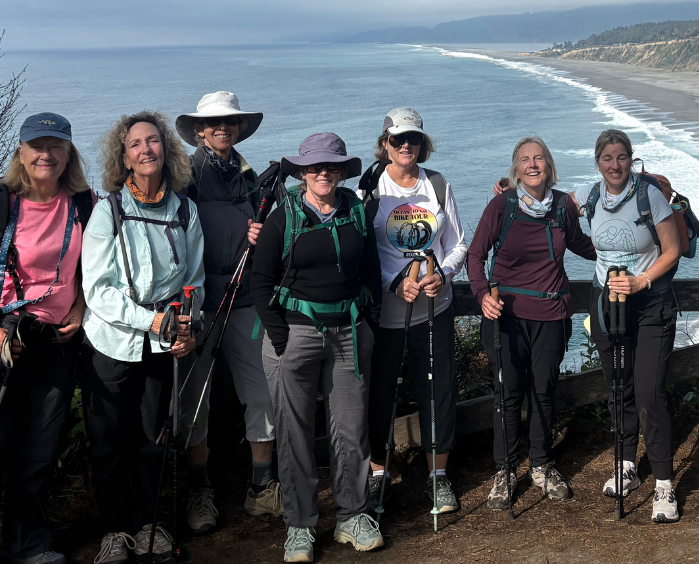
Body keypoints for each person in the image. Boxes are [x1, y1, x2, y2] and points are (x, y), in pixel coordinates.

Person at [0, 113, 93, 564]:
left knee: (38, 454)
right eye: (36, 146)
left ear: (69, 154)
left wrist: (80, 307)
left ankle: (27, 545)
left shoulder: (84, 205)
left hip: (53, 342)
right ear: (21, 153)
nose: (46, 155)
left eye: (56, 146)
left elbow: (93, 271)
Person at [251, 133, 384, 563]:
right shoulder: (281, 217)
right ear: (302, 172)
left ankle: (352, 514)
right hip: (295, 333)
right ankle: (300, 525)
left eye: (331, 166)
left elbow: (370, 272)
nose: (322, 173)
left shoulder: (356, 213)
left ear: (343, 170)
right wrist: (281, 338)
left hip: (347, 331)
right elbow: (261, 282)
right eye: (314, 167)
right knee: (294, 433)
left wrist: (366, 325)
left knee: (350, 429)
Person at [82, 112, 204, 564]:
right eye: (135, 144)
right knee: (110, 440)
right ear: (124, 157)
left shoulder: (185, 211)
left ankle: (150, 523)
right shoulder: (107, 210)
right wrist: (150, 322)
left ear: (167, 151)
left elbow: (194, 281)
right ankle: (115, 532)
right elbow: (97, 289)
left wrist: (189, 324)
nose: (146, 150)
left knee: (155, 437)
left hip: (164, 343)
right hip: (111, 344)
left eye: (154, 141)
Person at [466, 136, 596, 511]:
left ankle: (540, 465)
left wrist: (628, 246)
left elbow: (582, 245)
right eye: (525, 159)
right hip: (506, 317)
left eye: (539, 158)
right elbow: (476, 255)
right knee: (508, 395)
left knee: (544, 391)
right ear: (516, 168)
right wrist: (481, 295)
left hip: (552, 314)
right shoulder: (502, 205)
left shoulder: (560, 207)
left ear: (549, 165)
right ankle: (505, 471)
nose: (533, 164)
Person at [174, 91, 280, 532]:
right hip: (197, 301)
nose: (223, 128)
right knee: (194, 400)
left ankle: (262, 488)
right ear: (199, 130)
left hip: (245, 299)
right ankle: (200, 492)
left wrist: (264, 232)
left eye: (230, 122)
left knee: (261, 393)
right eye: (214, 123)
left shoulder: (251, 177)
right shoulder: (182, 175)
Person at [361, 108, 467, 518]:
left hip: (434, 310)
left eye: (414, 139)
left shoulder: (437, 185)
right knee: (380, 395)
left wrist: (442, 272)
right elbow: (365, 253)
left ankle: (438, 477)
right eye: (398, 139)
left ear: (423, 145)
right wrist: (394, 282)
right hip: (386, 316)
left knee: (437, 390)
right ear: (384, 143)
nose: (406, 145)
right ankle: (378, 474)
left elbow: (458, 244)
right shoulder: (371, 190)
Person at [575, 129, 684, 523]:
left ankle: (664, 484)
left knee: (650, 394)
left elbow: (672, 250)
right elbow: (553, 204)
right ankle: (625, 465)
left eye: (621, 157)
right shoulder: (590, 196)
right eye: (607, 158)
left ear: (631, 159)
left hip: (650, 303)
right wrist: (510, 191)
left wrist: (642, 281)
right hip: (606, 304)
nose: (614, 165)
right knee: (618, 386)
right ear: (598, 162)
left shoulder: (648, 195)